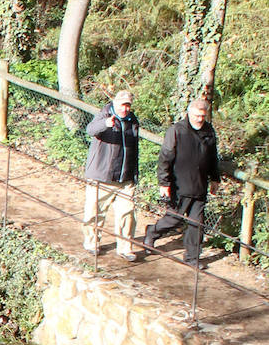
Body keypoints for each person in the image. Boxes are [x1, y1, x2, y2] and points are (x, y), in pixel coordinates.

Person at [144, 98, 220, 267]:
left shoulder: (209, 131)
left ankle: (192, 258)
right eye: (197, 115)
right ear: (189, 113)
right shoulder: (177, 130)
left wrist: (215, 179)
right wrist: (164, 182)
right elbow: (165, 157)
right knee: (174, 219)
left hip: (200, 186)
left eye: (202, 116)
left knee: (197, 224)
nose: (200, 119)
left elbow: (213, 157)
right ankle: (152, 232)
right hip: (179, 185)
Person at [82, 90, 141, 261]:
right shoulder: (103, 115)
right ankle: (91, 242)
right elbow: (90, 130)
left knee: (127, 213)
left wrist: (134, 173)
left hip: (126, 178)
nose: (125, 108)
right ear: (115, 103)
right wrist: (106, 124)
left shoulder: (133, 121)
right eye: (123, 105)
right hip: (101, 176)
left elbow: (134, 148)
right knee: (95, 212)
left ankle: (125, 247)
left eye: (128, 105)